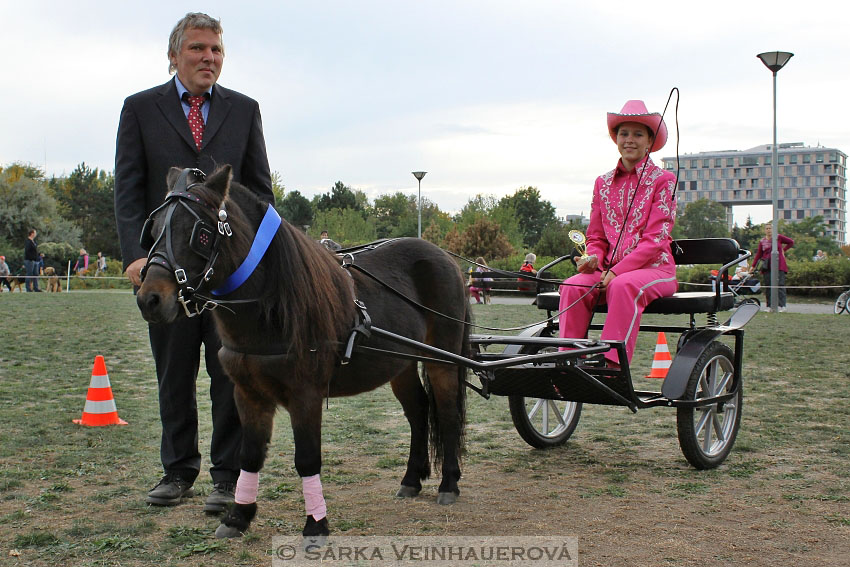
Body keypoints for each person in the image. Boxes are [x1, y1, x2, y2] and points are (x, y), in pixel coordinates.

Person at [114, 12, 274, 513]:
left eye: (217, 51)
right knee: (173, 373)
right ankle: (178, 470)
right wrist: (135, 256)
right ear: (174, 55)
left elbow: (260, 193)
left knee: (230, 375)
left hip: (225, 275)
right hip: (165, 272)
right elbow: (128, 191)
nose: (209, 58)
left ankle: (227, 478)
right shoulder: (139, 109)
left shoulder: (245, 111)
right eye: (199, 49)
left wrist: (260, 262)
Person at [558, 100, 677, 368]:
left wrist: (615, 273)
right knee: (572, 285)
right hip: (608, 272)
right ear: (616, 139)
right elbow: (597, 237)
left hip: (656, 270)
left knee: (623, 286)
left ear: (650, 141)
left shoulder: (663, 180)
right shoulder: (602, 183)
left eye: (638, 134)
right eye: (624, 133)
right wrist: (593, 260)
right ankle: (567, 360)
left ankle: (612, 366)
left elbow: (655, 241)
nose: (629, 140)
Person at [751, 224, 794, 312]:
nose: (768, 230)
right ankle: (769, 306)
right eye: (767, 229)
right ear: (764, 230)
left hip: (779, 264)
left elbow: (791, 242)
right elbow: (759, 254)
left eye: (770, 228)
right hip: (767, 265)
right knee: (768, 285)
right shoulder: (762, 241)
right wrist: (753, 266)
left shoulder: (778, 237)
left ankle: (782, 305)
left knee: (780, 284)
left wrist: (783, 250)